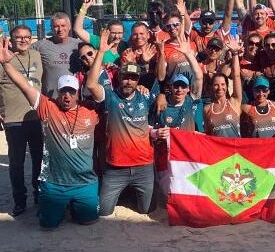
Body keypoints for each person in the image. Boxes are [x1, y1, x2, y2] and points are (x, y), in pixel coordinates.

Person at [0, 38, 99, 229]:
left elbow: (101, 89)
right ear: (58, 93)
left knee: (88, 220)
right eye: (63, 91)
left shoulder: (91, 111)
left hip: (84, 182)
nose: (67, 96)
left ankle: (73, 203)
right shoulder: (48, 107)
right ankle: (56, 203)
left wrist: (100, 52)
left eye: (71, 92)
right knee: (48, 224)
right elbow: (25, 86)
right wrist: (6, 64)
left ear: (78, 93)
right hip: (55, 183)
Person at [85, 30, 161, 217]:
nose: (129, 81)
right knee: (103, 211)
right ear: (119, 77)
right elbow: (91, 84)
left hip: (144, 166)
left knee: (147, 209)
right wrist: (101, 52)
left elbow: (161, 81)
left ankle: (130, 192)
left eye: (133, 78)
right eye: (125, 77)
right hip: (115, 167)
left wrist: (163, 95)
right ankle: (124, 191)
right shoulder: (110, 97)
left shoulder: (145, 96)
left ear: (138, 80)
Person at [0, 25, 43, 216]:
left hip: (36, 116)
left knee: (39, 160)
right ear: (11, 38)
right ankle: (19, 200)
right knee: (16, 163)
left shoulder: (37, 56)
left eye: (27, 37)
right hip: (14, 118)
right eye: (19, 37)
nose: (23, 40)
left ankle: (39, 195)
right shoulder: (3, 58)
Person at [151, 32, 204, 132]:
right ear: (170, 87)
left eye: (183, 86)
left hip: (187, 146)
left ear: (188, 89)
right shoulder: (162, 104)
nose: (179, 90)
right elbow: (151, 128)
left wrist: (187, 54)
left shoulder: (191, 100)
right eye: (176, 86)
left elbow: (199, 76)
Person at [32, 12, 82, 97]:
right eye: (56, 26)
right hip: (51, 99)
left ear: (69, 27)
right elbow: (21, 51)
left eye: (63, 26)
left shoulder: (79, 45)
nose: (60, 29)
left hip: (75, 100)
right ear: (51, 28)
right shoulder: (41, 45)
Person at [204, 39, 244, 137]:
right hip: (217, 152)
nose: (220, 88)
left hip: (235, 151)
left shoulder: (234, 102)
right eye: (216, 85)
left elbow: (236, 76)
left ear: (227, 86)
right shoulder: (207, 109)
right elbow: (208, 136)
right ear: (212, 88)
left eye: (222, 84)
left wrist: (235, 54)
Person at [74, 0, 128, 64]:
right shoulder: (99, 42)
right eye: (113, 33)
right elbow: (77, 29)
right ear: (107, 32)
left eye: (119, 33)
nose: (117, 36)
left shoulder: (125, 46)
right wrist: (84, 7)